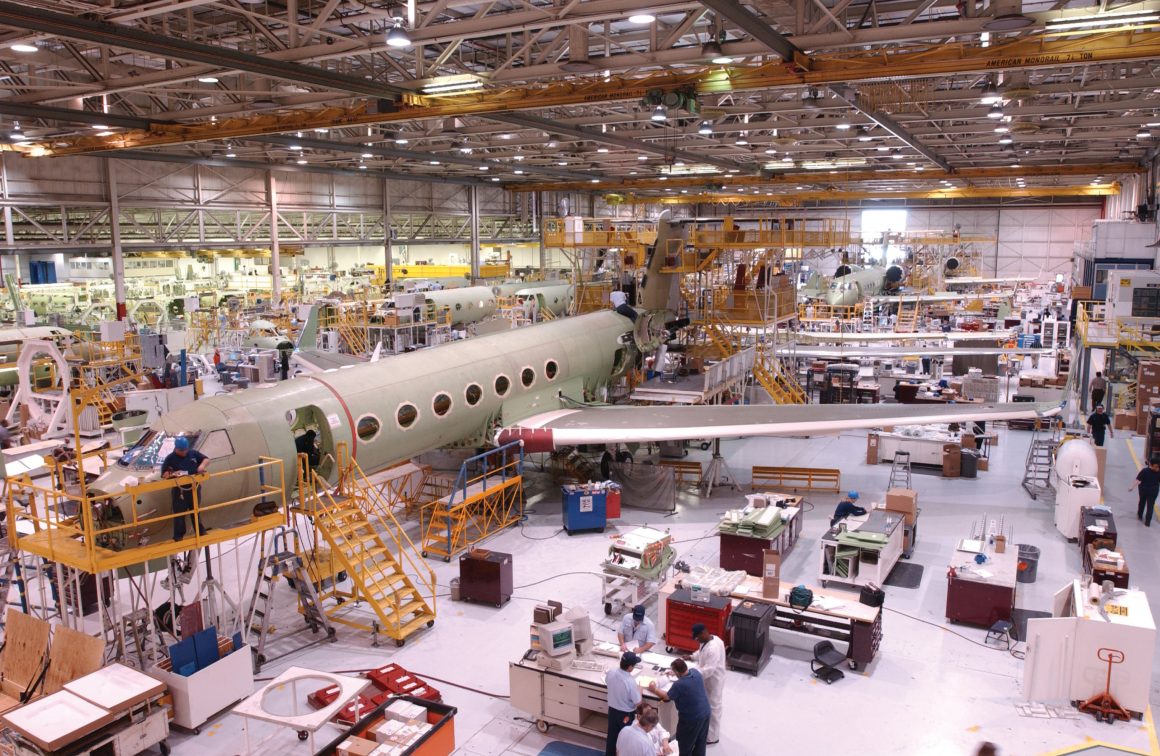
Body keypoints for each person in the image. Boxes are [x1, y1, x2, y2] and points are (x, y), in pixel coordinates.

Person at [647, 660, 710, 756]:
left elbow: (667, 696)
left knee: (685, 744)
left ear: (677, 672)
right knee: (700, 743)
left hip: (691, 719)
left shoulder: (679, 684)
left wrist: (654, 689)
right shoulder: (695, 672)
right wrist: (674, 672)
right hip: (706, 712)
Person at [160, 436, 209, 541]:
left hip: (194, 488)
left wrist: (202, 466)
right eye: (181, 451)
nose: (184, 452)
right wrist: (169, 474)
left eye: (185, 450)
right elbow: (164, 474)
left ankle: (200, 531)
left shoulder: (193, 453)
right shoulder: (170, 458)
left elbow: (206, 459)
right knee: (179, 514)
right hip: (179, 491)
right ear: (176, 449)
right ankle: (178, 536)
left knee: (195, 511)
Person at [688, 624, 725, 745]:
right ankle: (705, 730)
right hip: (706, 680)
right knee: (706, 705)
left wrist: (689, 673)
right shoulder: (707, 640)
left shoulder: (713, 648)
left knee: (714, 707)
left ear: (704, 632)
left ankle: (712, 737)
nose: (697, 640)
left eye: (698, 637)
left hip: (714, 681)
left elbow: (709, 670)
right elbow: (701, 652)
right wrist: (691, 656)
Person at [605, 652, 643, 756]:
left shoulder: (611, 672)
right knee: (626, 739)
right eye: (634, 665)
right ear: (630, 667)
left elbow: (607, 682)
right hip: (625, 715)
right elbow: (638, 702)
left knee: (612, 737)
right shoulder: (630, 681)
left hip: (612, 711)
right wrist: (640, 691)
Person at [1132, 457, 1160, 526]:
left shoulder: (1144, 471)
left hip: (1143, 490)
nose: (1157, 468)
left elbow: (1138, 480)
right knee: (1150, 505)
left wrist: (1132, 487)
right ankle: (1148, 522)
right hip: (1154, 490)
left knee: (1142, 502)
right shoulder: (1158, 472)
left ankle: (1140, 515)